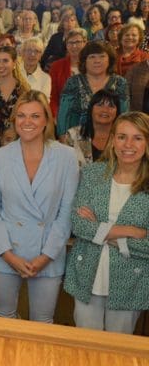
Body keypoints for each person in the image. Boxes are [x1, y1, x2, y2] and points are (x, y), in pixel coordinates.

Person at [0, 90, 79, 323]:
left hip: (48, 252)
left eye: (35, 116)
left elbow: (66, 213)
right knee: (3, 318)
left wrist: (45, 257)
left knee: (43, 323)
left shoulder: (67, 157)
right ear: (14, 120)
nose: (27, 122)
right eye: (21, 116)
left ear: (47, 119)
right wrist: (9, 255)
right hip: (5, 252)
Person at [64, 112, 149, 334]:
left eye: (137, 138)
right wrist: (128, 231)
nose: (128, 144)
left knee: (117, 350)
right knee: (86, 348)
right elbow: (78, 223)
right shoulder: (93, 174)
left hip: (130, 282)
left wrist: (103, 232)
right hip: (86, 275)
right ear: (112, 140)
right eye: (122, 136)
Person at [57, 41, 130, 138]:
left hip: (110, 140)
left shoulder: (120, 83)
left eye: (102, 56)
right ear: (84, 61)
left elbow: (123, 116)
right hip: (76, 141)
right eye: (92, 57)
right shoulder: (73, 82)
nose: (97, 61)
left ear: (110, 60)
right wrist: (63, 139)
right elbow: (63, 115)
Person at [62, 90, 123, 166]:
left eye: (111, 106)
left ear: (117, 111)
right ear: (91, 109)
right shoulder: (73, 135)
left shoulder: (123, 136)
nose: (105, 110)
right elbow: (65, 166)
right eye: (100, 105)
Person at [49, 28, 87, 117]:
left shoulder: (93, 65)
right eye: (70, 43)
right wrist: (57, 116)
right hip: (64, 115)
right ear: (66, 45)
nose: (74, 46)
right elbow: (53, 96)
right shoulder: (56, 66)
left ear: (85, 43)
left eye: (78, 42)